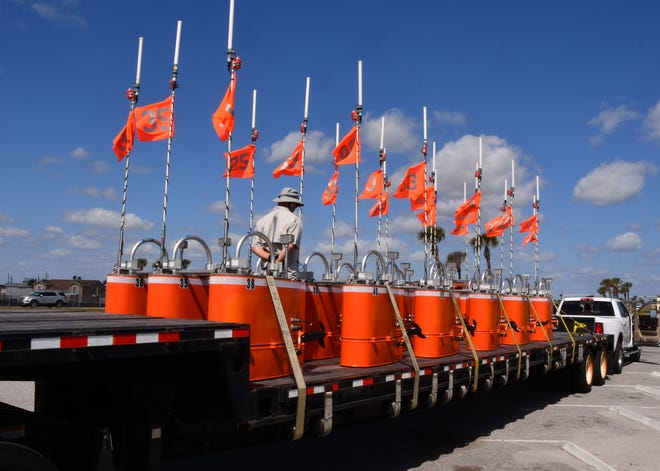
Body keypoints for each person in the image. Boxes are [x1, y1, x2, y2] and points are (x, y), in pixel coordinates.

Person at [252, 187, 303, 279]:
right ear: (291, 203)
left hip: (266, 274)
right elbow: (289, 246)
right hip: (287, 276)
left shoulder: (261, 221)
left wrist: (271, 259)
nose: (295, 208)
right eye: (296, 205)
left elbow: (255, 248)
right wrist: (276, 264)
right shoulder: (294, 220)